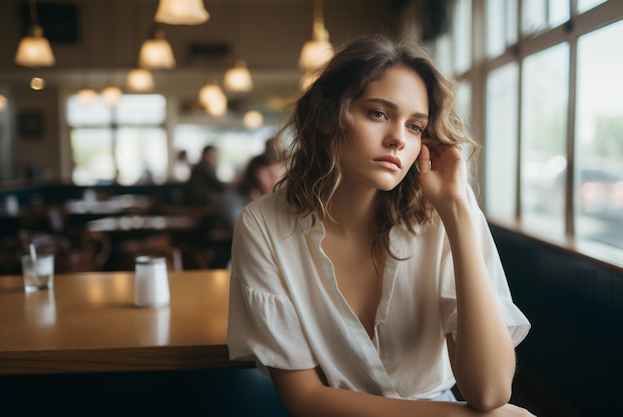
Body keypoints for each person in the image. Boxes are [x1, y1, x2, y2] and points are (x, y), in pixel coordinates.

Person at [227, 34, 533, 417]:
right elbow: (304, 399)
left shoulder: (445, 211)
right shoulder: (263, 225)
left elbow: (489, 391)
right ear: (327, 116)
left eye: (416, 126)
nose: (397, 140)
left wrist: (456, 212)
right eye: (378, 113)